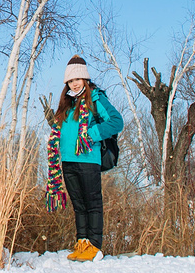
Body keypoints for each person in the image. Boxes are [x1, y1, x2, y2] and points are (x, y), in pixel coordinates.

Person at [43, 55, 123, 262]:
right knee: (79, 205)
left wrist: (91, 134)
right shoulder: (67, 103)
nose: (74, 83)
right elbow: (65, 131)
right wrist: (54, 128)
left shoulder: (95, 98)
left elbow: (116, 122)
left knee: (92, 203)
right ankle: (82, 242)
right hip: (68, 161)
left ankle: (95, 247)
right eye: (70, 80)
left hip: (89, 158)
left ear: (85, 79)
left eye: (77, 79)